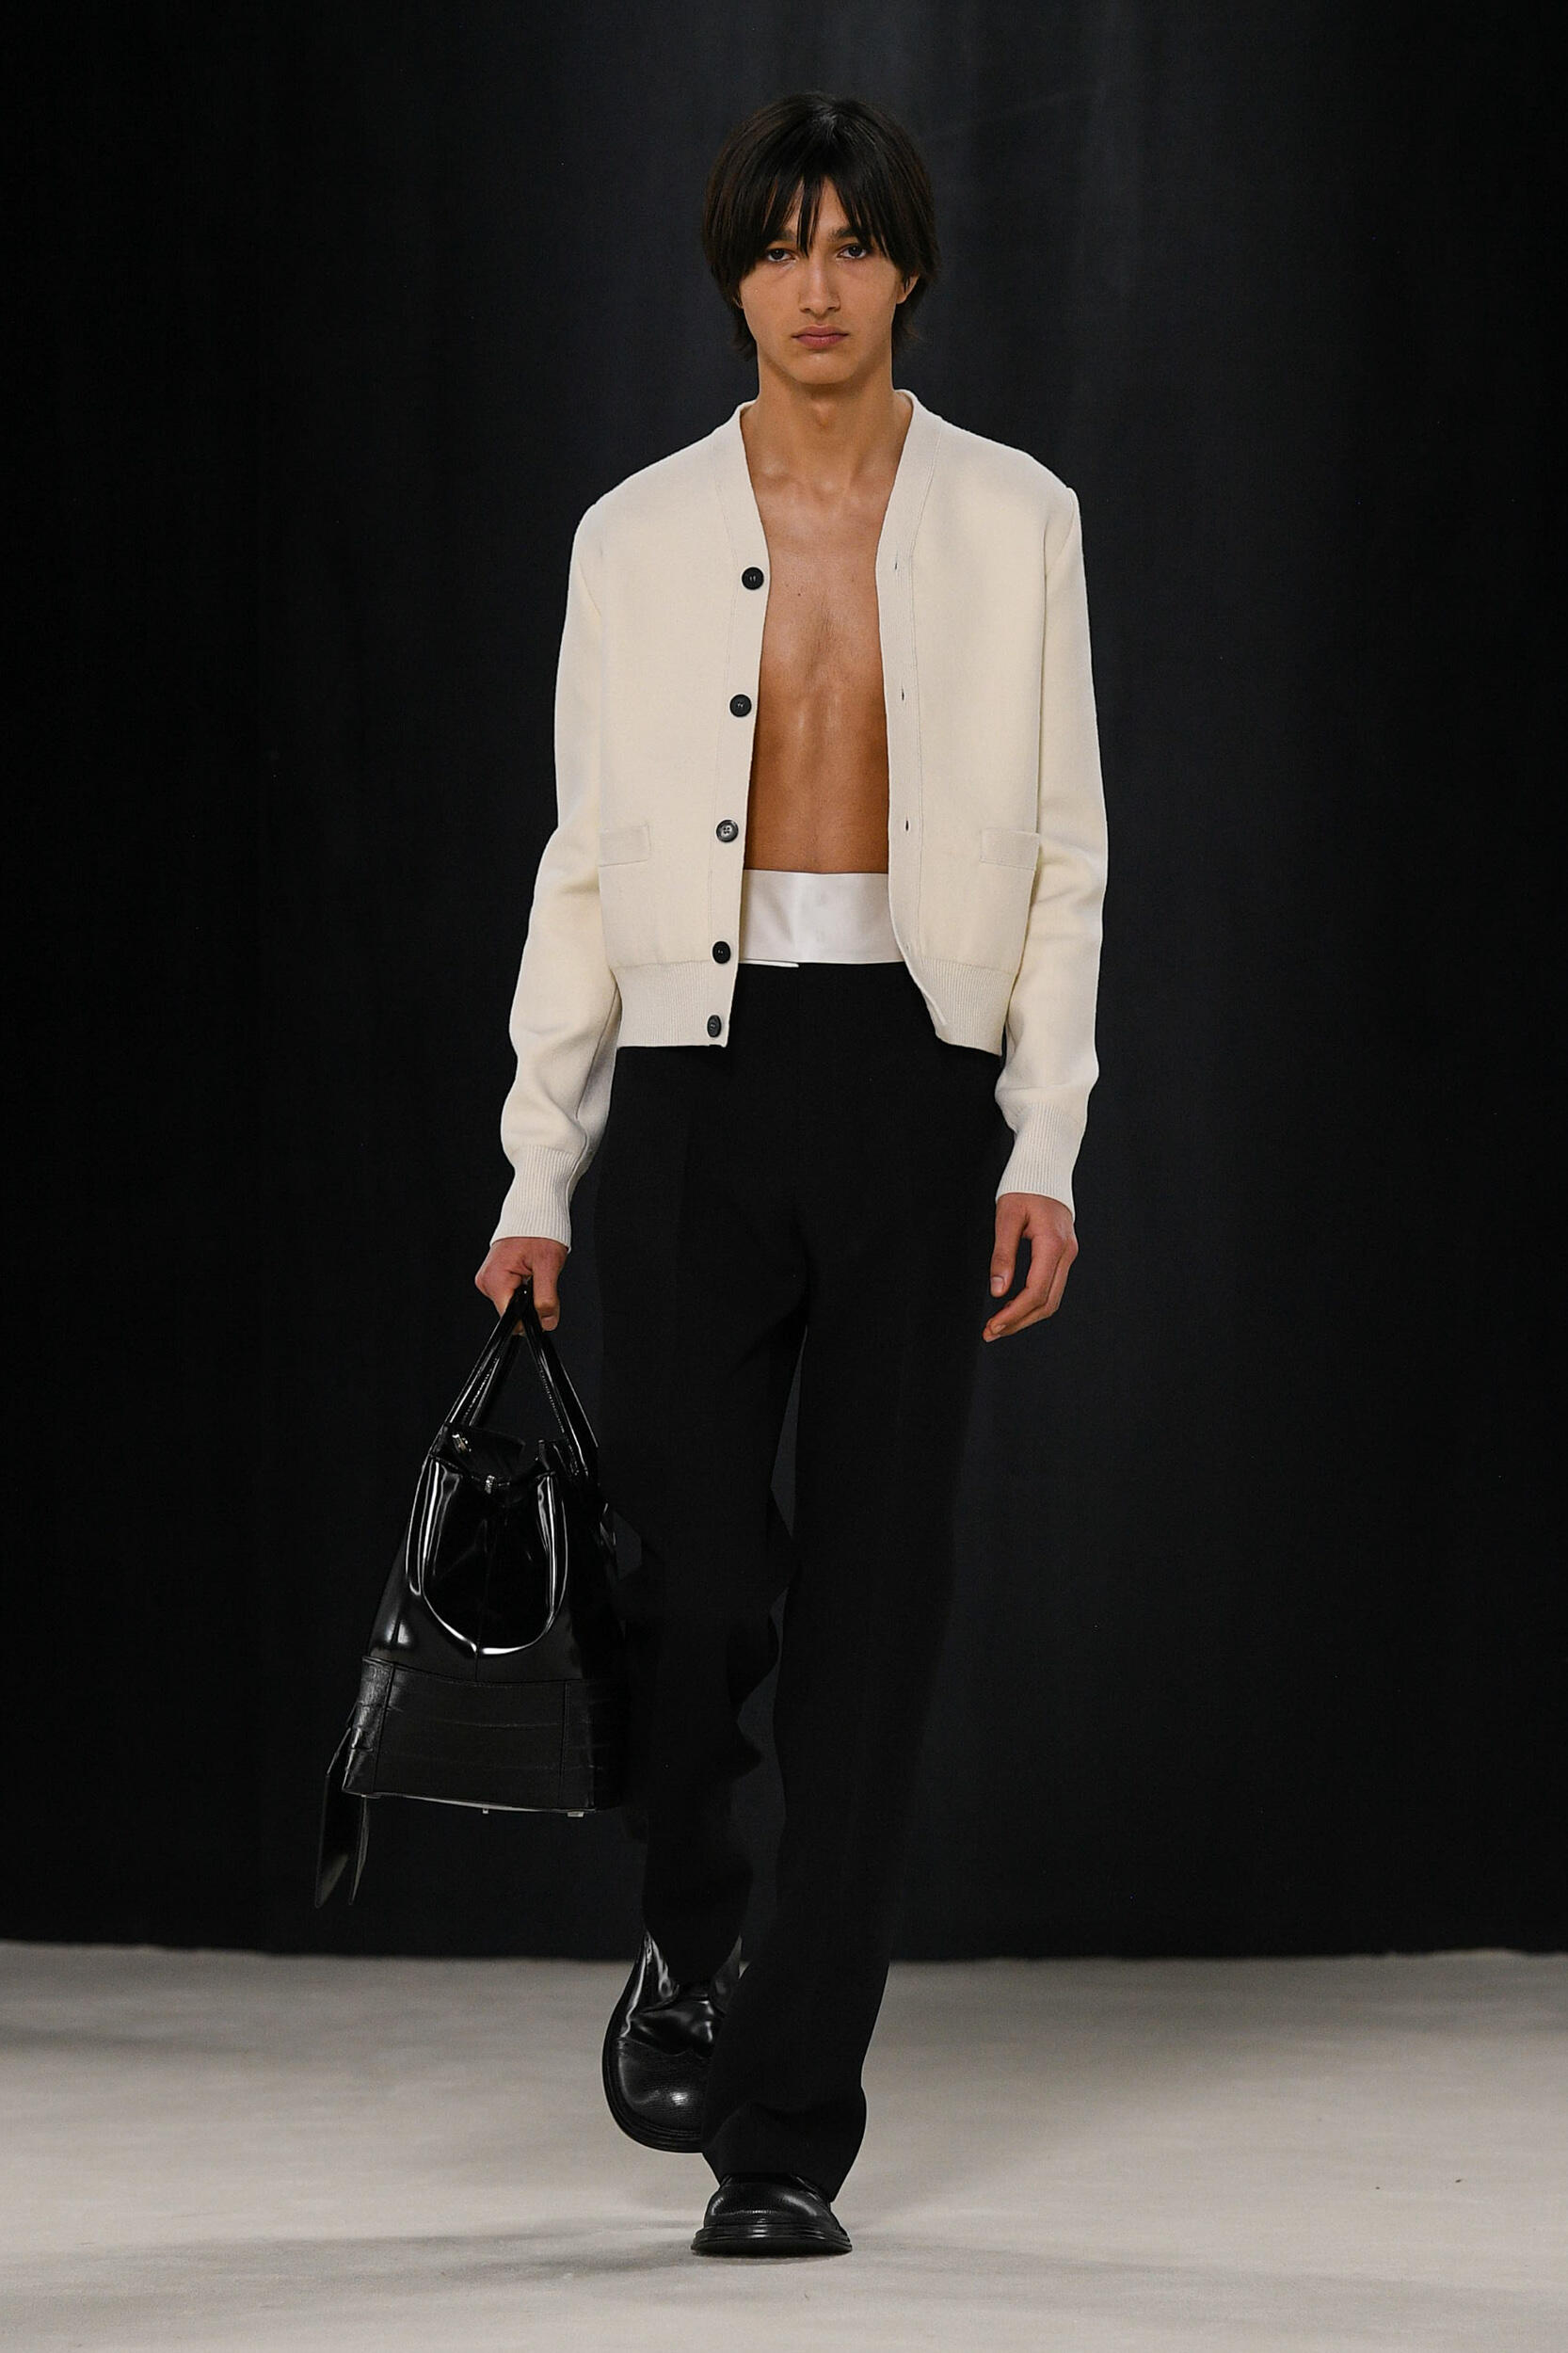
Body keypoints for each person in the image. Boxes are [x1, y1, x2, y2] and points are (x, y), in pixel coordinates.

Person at [473, 90, 1107, 2259]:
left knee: (873, 1605)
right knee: (689, 1573)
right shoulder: (632, 534)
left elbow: (1062, 852)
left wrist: (1042, 1136)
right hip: (696, 1069)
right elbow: (582, 860)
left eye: (848, 242)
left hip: (916, 1078)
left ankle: (781, 2125)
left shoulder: (1017, 518)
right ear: (732, 273)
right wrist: (536, 1169)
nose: (813, 285)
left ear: (907, 264)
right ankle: (689, 1920)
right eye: (776, 245)